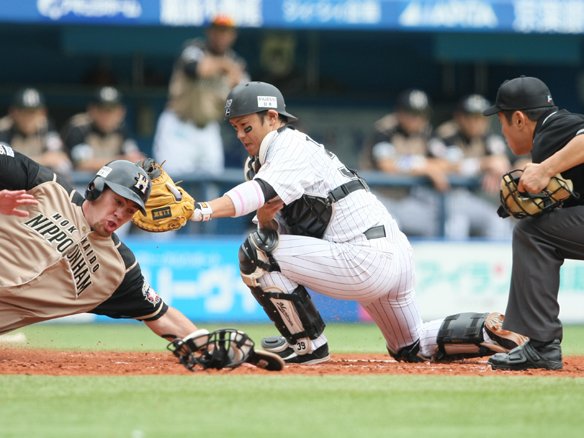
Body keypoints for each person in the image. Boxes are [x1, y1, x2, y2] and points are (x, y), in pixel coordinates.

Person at [186, 81, 527, 365]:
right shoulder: (264, 161)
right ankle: (491, 329)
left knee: (255, 252)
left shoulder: (288, 143)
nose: (241, 135)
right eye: (236, 128)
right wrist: (265, 216)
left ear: (272, 118)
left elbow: (257, 197)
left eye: (247, 126)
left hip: (364, 258)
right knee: (410, 347)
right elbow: (275, 230)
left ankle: (307, 346)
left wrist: (200, 210)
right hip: (389, 253)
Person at [0, 143, 198, 344]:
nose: (120, 214)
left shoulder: (117, 269)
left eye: (130, 211)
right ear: (95, 188)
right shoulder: (47, 187)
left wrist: (208, 346)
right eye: (118, 202)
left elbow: (162, 316)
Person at [482, 76, 584, 370]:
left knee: (533, 232)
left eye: (501, 122)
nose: (502, 132)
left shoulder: (553, 128)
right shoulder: (556, 131)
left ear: (518, 119)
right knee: (540, 228)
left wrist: (546, 169)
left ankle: (541, 345)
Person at [153, 14, 249, 176]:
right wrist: (224, 66)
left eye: (226, 32)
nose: (221, 36)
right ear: (209, 32)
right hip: (179, 126)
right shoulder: (194, 49)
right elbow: (194, 69)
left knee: (211, 183)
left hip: (208, 130)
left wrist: (236, 81)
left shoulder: (235, 62)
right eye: (218, 30)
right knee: (171, 182)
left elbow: (244, 94)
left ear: (233, 35)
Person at [363, 89, 450, 237]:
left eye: (421, 114)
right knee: (390, 230)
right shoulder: (385, 129)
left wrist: (424, 165)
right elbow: (386, 165)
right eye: (411, 113)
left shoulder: (426, 131)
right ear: (399, 112)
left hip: (405, 198)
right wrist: (424, 166)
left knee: (434, 226)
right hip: (377, 196)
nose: (416, 119)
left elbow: (446, 163)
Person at [432, 94, 513, 239]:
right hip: (444, 197)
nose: (477, 122)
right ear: (459, 117)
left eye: (481, 117)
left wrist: (495, 168)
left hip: (471, 198)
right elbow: (444, 166)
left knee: (498, 222)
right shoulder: (446, 134)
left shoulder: (488, 136)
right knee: (457, 224)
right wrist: (483, 164)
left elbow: (502, 161)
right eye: (471, 117)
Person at [61, 86, 144, 173]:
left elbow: (136, 158)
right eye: (102, 109)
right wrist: (122, 161)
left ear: (121, 112)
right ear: (92, 110)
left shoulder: (121, 129)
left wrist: (133, 160)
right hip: (75, 179)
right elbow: (82, 164)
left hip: (106, 178)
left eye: (112, 109)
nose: (107, 115)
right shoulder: (80, 127)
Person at [0, 87, 72, 177]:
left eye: (33, 112)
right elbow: (4, 162)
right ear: (13, 112)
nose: (28, 117)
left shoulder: (46, 126)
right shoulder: (4, 128)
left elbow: (59, 159)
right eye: (23, 111)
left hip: (36, 179)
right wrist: (42, 159)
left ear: (42, 113)